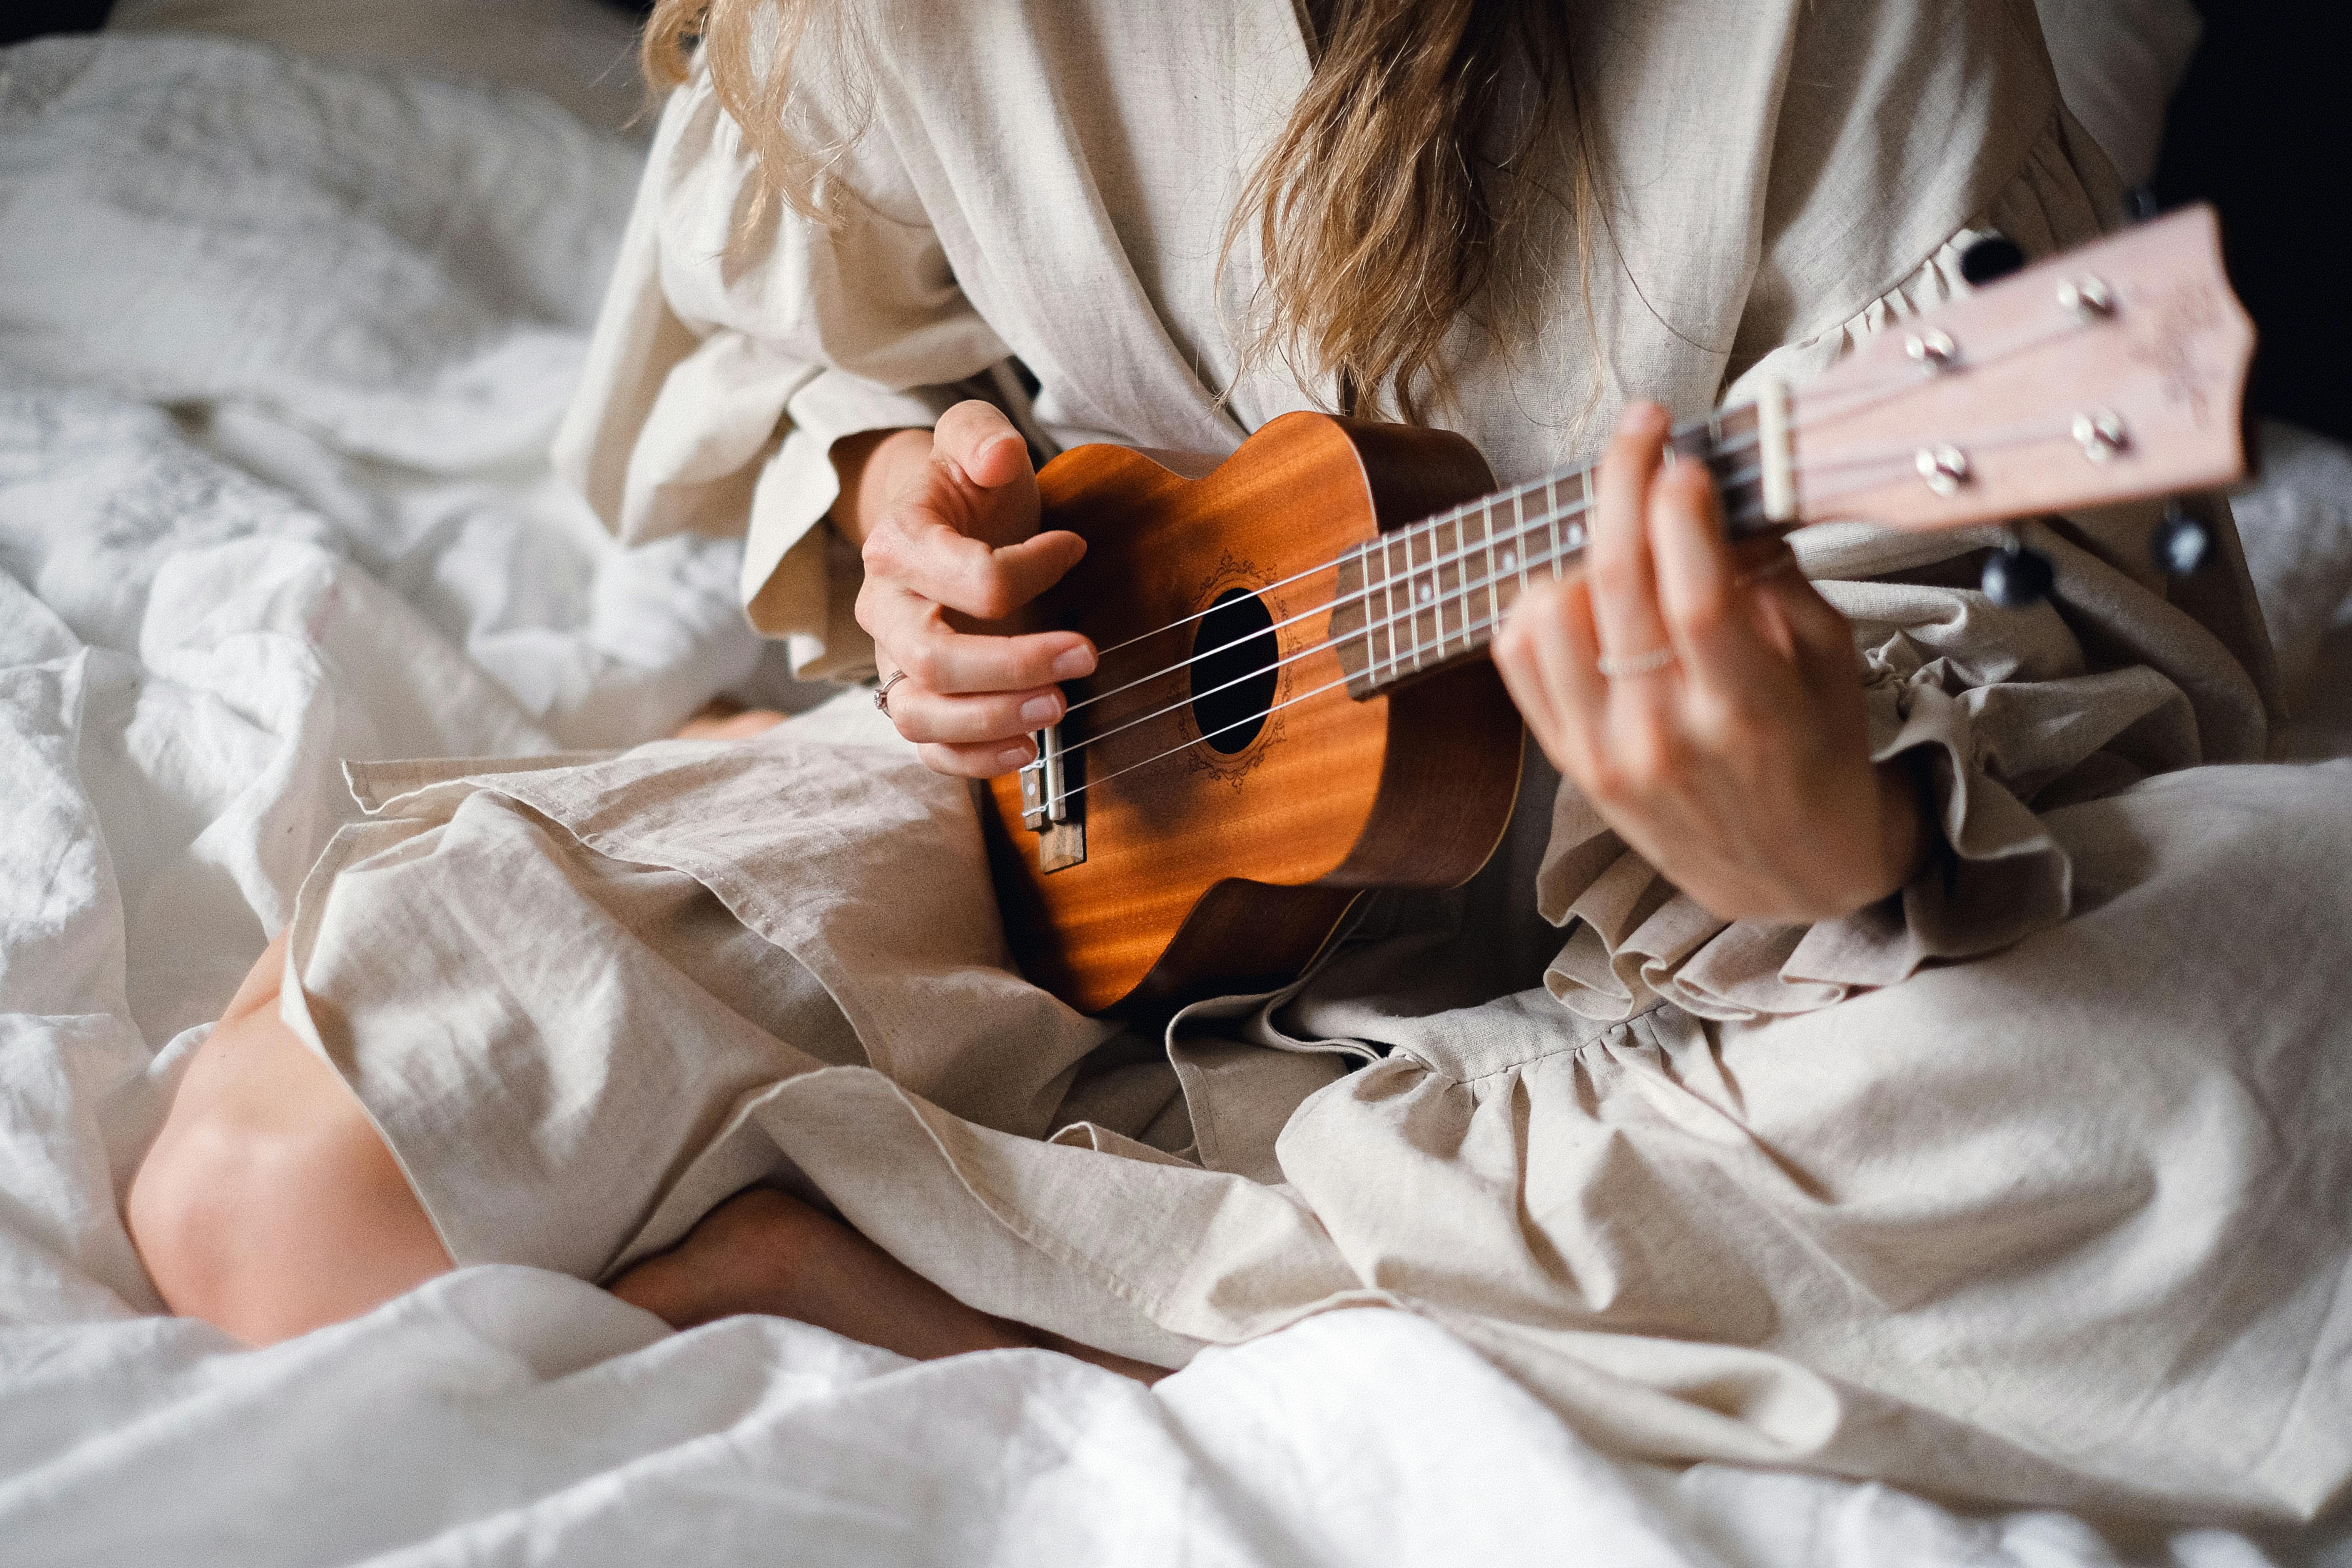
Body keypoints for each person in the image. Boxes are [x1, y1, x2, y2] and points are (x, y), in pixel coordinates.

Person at [125, 0, 2352, 1521]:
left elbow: (2036, 615)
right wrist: (899, 503)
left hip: (1715, 970)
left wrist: (1823, 822)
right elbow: (796, 342)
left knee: (2243, 1106)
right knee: (267, 1208)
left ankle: (923, 1272)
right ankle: (1271, 1255)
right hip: (1120, 785)